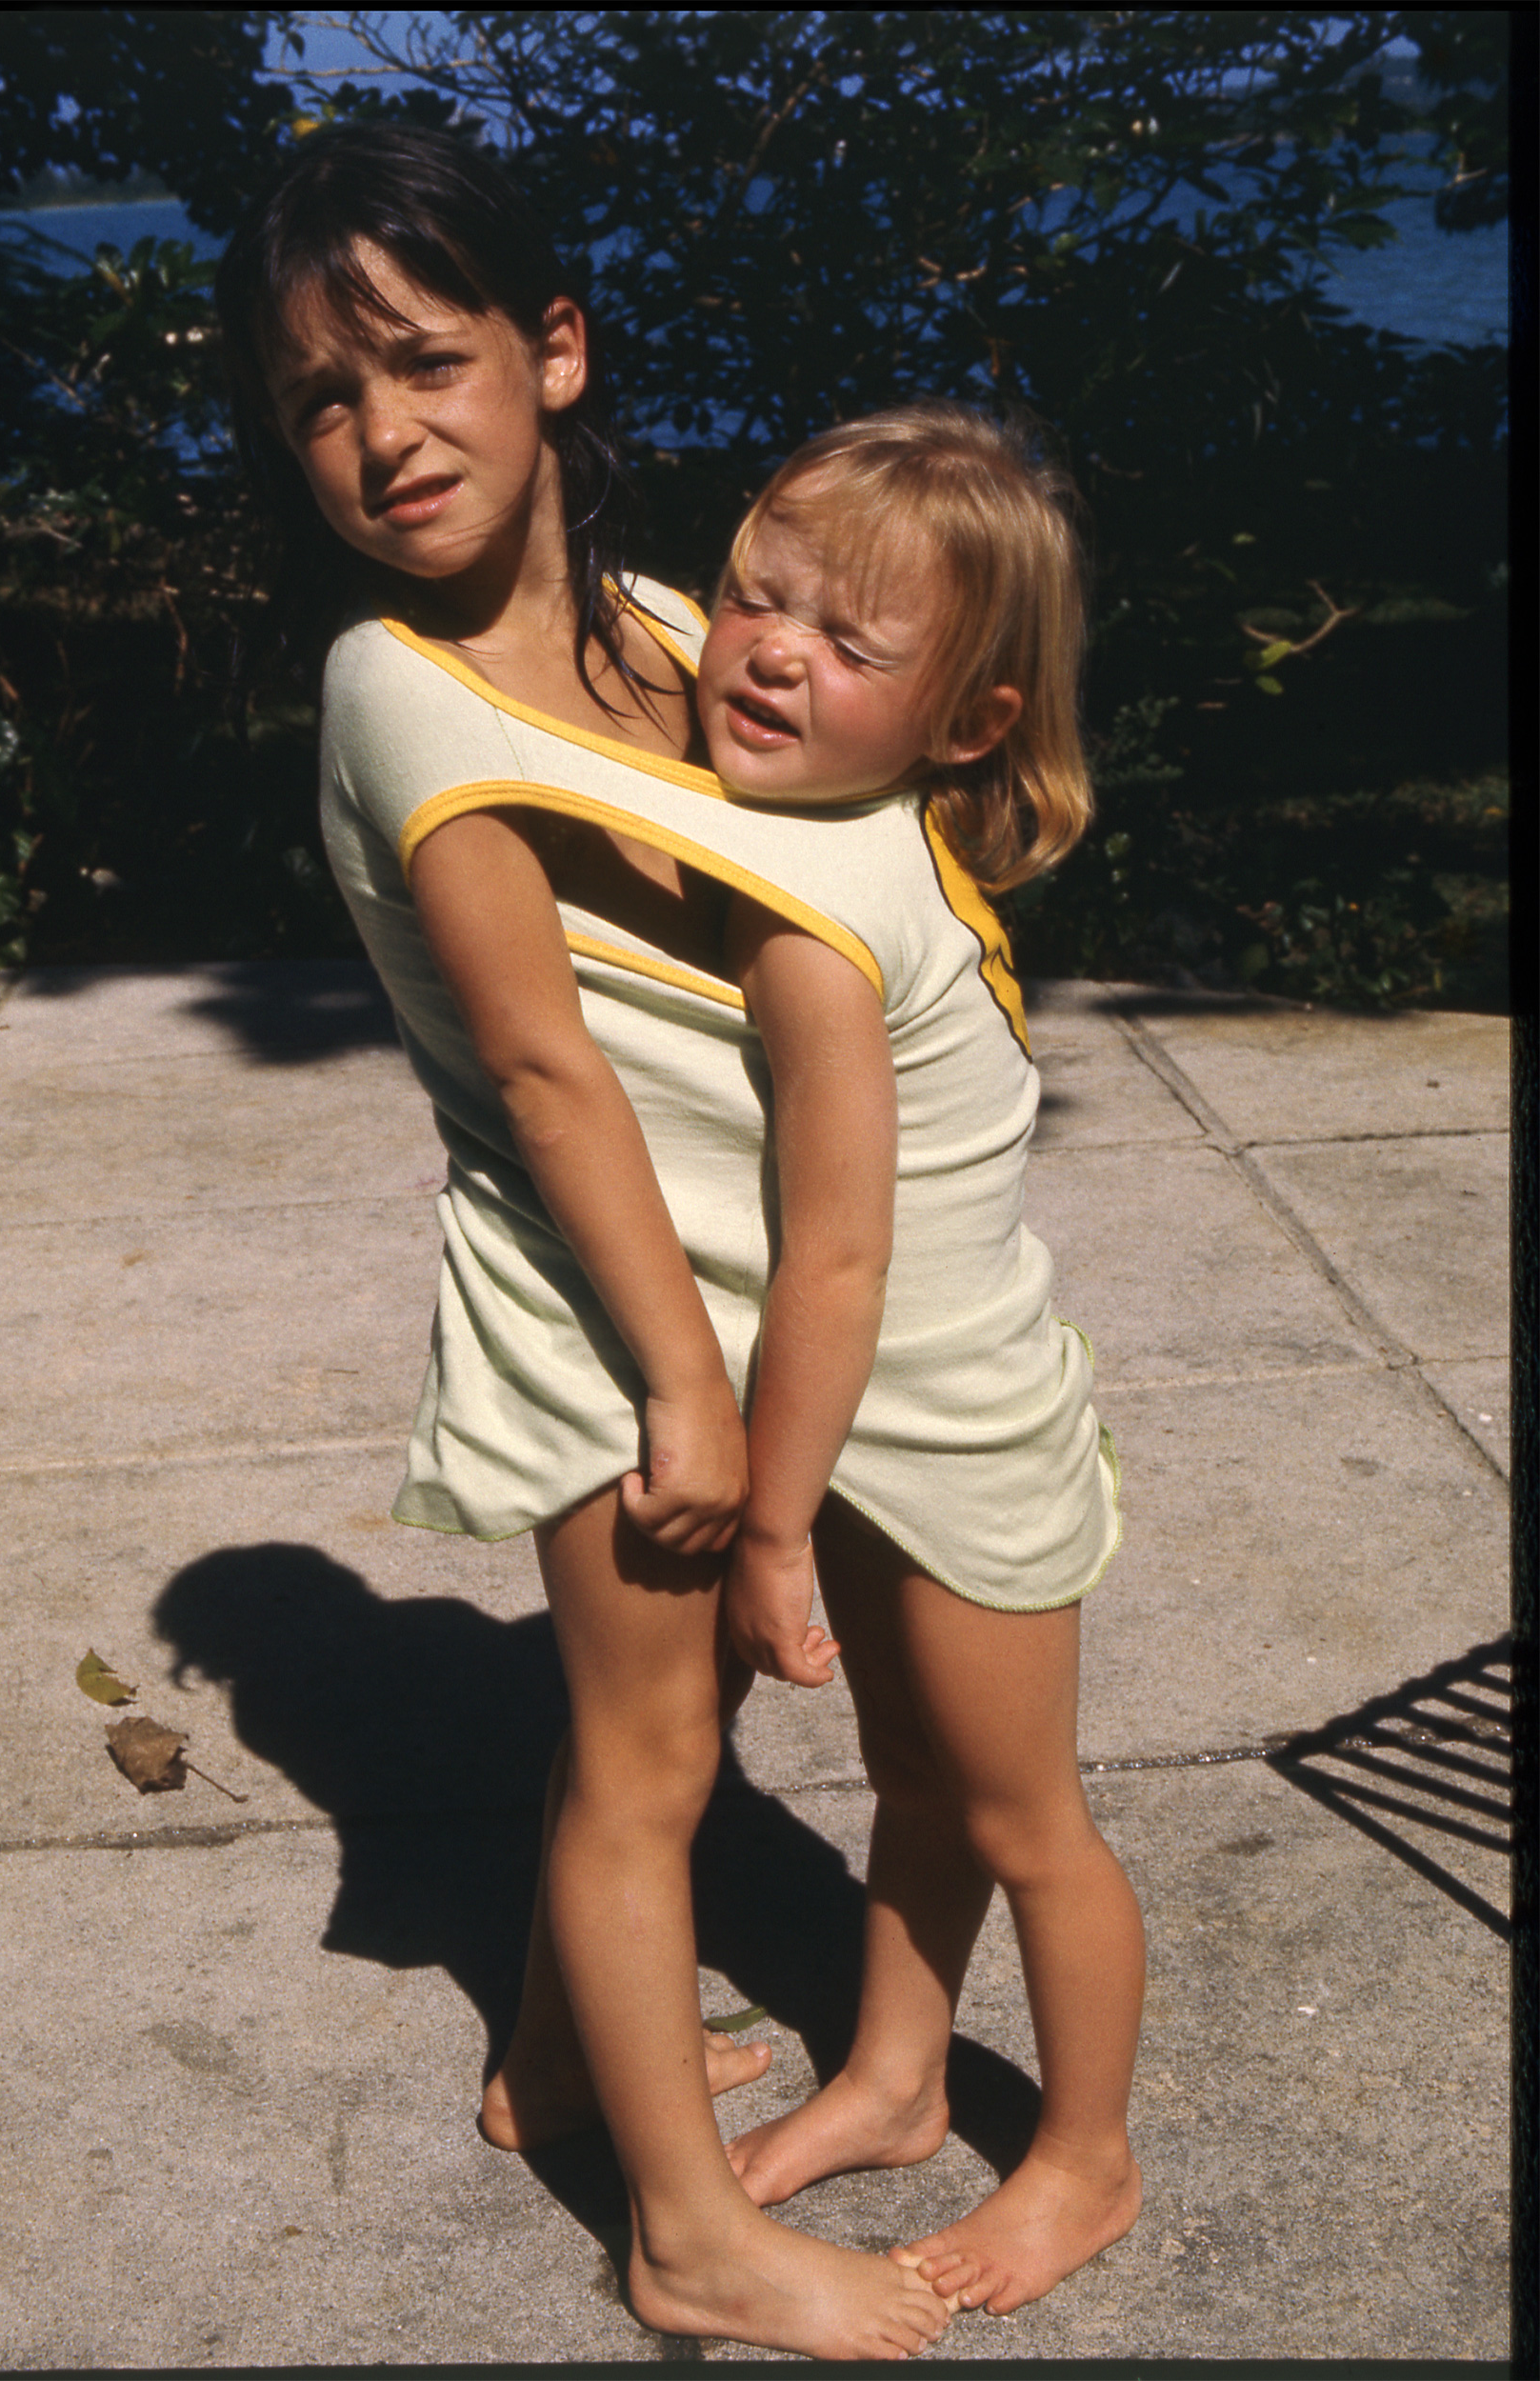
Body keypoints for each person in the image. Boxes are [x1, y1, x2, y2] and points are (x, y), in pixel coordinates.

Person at [213, 120, 951, 2361]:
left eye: (423, 364)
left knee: (683, 1707)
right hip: (604, 1312)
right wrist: (694, 1385)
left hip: (724, 1290)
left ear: (554, 350)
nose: (378, 435)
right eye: (321, 400)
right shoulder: (394, 690)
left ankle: (548, 2054)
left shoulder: (657, 635)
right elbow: (546, 1076)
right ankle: (689, 2236)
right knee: (646, 1768)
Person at [688, 407, 1148, 2320]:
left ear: (969, 719)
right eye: (751, 595)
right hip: (891, 1432)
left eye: (847, 642)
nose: (769, 646)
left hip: (949, 1442)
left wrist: (771, 1522)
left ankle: (1086, 2152)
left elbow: (843, 1251)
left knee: (1030, 1817)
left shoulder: (821, 909)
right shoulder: (850, 823)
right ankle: (895, 2073)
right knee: (911, 1774)